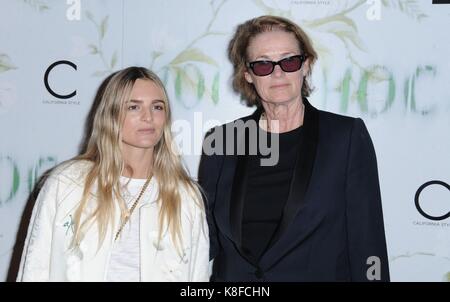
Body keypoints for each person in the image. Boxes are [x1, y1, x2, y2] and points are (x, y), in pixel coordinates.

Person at [198, 15, 390, 281]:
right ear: (248, 75)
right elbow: (201, 241)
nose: (278, 73)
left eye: (289, 61)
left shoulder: (345, 137)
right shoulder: (221, 142)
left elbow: (368, 241)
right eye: (263, 64)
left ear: (306, 65)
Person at [17, 67, 210, 281]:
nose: (148, 117)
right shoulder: (66, 184)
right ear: (111, 114)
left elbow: (197, 277)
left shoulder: (184, 196)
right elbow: (36, 268)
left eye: (157, 107)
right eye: (134, 107)